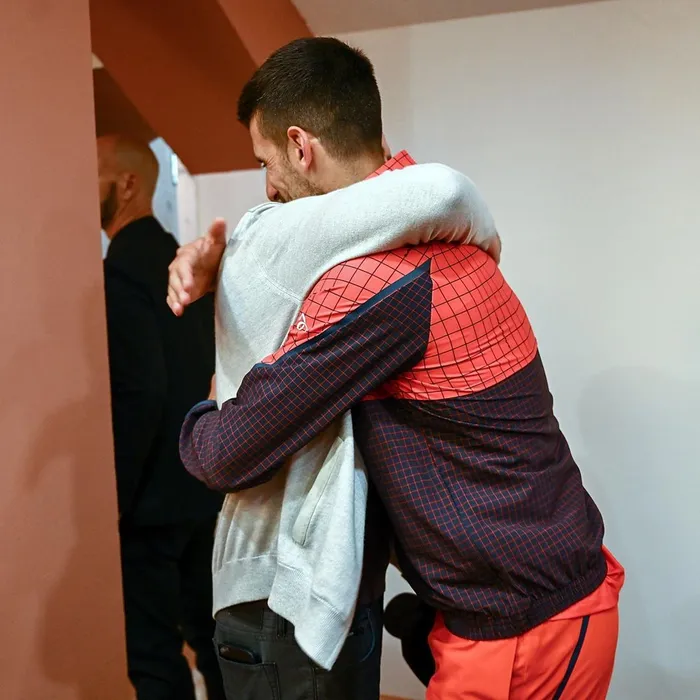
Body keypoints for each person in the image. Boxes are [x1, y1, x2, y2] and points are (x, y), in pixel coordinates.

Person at [171, 38, 624, 699]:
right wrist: (221, 268)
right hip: (512, 608)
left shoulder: (378, 282)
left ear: (301, 147)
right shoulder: (431, 231)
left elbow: (227, 453)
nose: (268, 188)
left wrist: (209, 407)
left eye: (266, 162)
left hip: (530, 629)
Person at [98, 135, 225, 700]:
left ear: (127, 184)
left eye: (92, 173)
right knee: (213, 636)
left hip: (149, 498)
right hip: (199, 482)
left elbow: (140, 389)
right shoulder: (179, 259)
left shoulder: (122, 270)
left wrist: (116, 495)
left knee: (152, 654)